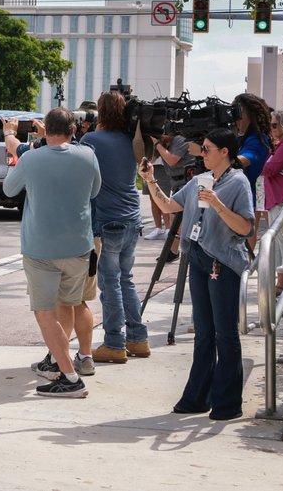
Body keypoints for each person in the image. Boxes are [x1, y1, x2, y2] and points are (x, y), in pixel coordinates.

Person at [140, 127, 253, 420]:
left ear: (224, 152)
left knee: (225, 334)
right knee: (204, 332)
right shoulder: (199, 181)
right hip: (199, 259)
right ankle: (197, 398)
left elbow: (245, 228)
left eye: (206, 149)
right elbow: (167, 205)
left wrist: (216, 203)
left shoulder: (238, 183)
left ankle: (227, 403)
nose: (201, 154)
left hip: (224, 262)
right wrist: (150, 179)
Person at [3, 107, 101, 397]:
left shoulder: (31, 158)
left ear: (45, 129)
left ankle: (69, 378)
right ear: (74, 130)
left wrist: (15, 152)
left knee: (45, 313)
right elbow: (95, 191)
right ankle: (63, 364)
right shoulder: (88, 155)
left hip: (41, 247)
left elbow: (9, 190)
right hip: (79, 246)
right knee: (68, 305)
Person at [80, 91, 150, 364]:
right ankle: (138, 338)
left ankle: (114, 342)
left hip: (108, 219)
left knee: (110, 284)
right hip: (133, 217)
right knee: (125, 278)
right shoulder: (130, 140)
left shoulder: (91, 140)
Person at [231, 93, 272, 249]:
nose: (235, 119)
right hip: (245, 195)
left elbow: (240, 161)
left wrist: (204, 151)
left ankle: (247, 266)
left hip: (251, 197)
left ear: (245, 113)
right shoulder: (244, 138)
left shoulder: (257, 139)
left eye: (237, 113)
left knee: (248, 234)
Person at [262, 110, 283, 295]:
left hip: (282, 200)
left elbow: (269, 169)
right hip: (278, 199)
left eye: (274, 125)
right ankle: (281, 284)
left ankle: (282, 285)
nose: (271, 129)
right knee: (282, 244)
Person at [151, 132, 195, 262]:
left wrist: (157, 144)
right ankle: (173, 251)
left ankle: (177, 251)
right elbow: (152, 159)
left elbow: (171, 160)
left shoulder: (180, 139)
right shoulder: (164, 144)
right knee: (174, 218)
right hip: (176, 183)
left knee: (177, 218)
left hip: (187, 182)